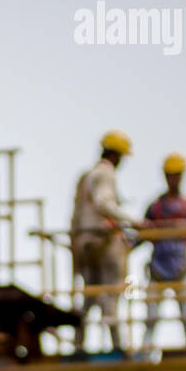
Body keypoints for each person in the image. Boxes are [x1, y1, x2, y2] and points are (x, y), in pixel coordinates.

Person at [137, 154, 186, 358]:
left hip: (180, 269)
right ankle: (144, 354)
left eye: (176, 175)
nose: (173, 180)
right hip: (157, 270)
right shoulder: (155, 207)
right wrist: (124, 245)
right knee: (151, 317)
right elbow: (141, 235)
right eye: (170, 176)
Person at [70, 130, 135, 356]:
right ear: (116, 156)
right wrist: (132, 221)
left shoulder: (85, 177)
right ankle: (117, 346)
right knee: (110, 295)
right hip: (104, 242)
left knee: (88, 297)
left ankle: (78, 344)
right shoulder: (105, 174)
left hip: (85, 243)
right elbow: (103, 202)